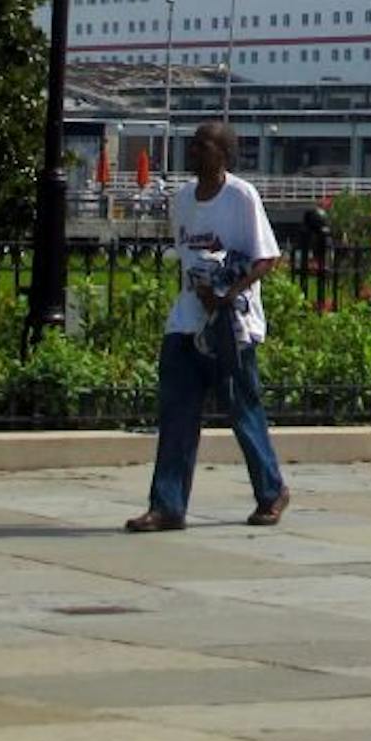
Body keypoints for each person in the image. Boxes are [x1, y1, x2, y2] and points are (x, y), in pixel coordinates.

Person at [124, 121, 289, 533]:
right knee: (176, 412)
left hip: (230, 325)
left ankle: (271, 491)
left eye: (203, 146)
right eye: (193, 145)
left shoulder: (240, 196)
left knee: (242, 409)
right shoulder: (182, 199)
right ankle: (167, 504)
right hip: (186, 321)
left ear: (224, 154)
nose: (194, 152)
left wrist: (227, 292)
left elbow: (266, 258)